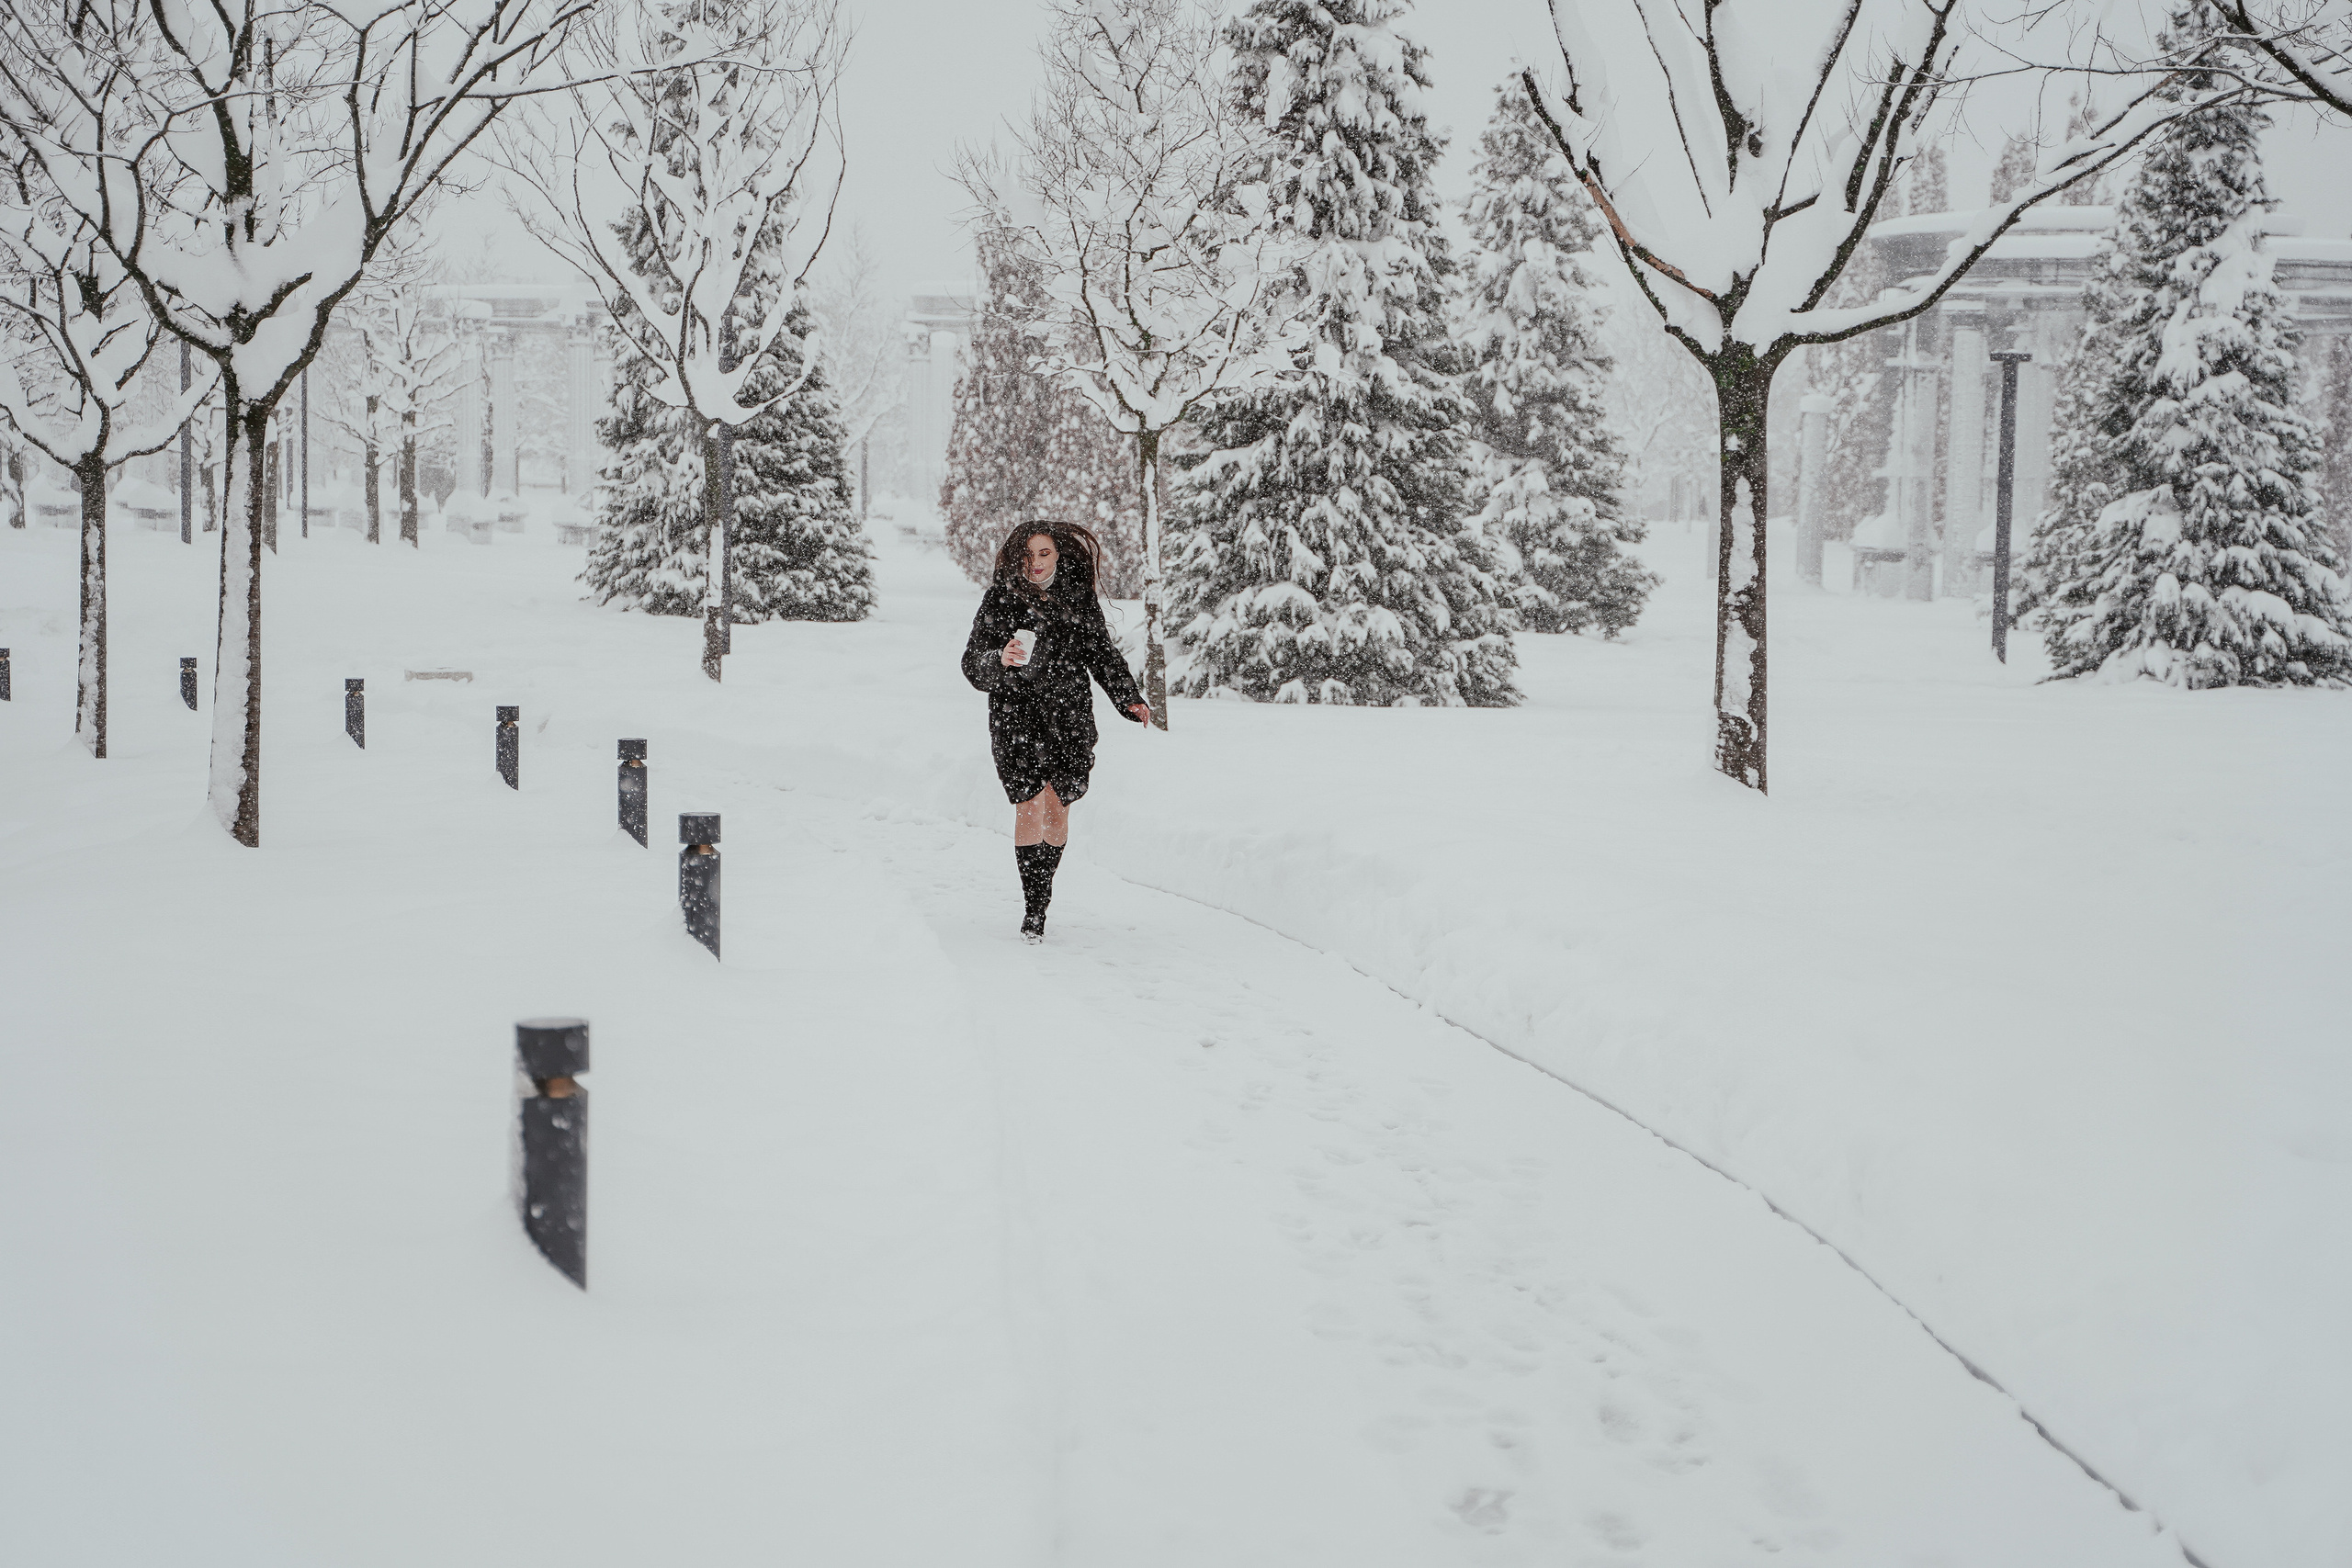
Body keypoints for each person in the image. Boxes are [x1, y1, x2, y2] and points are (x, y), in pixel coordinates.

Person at [960, 520, 1150, 942]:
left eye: (1044, 554)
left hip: (1069, 716)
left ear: (1059, 555)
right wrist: (1000, 659)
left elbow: (1102, 653)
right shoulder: (1000, 599)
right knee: (1029, 804)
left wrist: (1128, 698)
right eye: (1028, 556)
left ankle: (1042, 891)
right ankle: (1034, 909)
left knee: (1057, 806)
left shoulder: (1078, 599)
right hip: (1016, 715)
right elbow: (971, 664)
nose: (1035, 564)